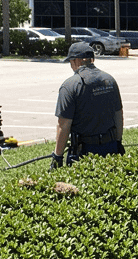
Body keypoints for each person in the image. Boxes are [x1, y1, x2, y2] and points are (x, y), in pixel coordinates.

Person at [51, 41, 124, 169]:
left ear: (76, 61)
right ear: (92, 59)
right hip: (110, 146)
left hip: (83, 151)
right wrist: (118, 142)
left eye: (70, 62)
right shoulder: (110, 80)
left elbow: (63, 125)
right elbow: (118, 115)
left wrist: (58, 155)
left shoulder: (70, 85)